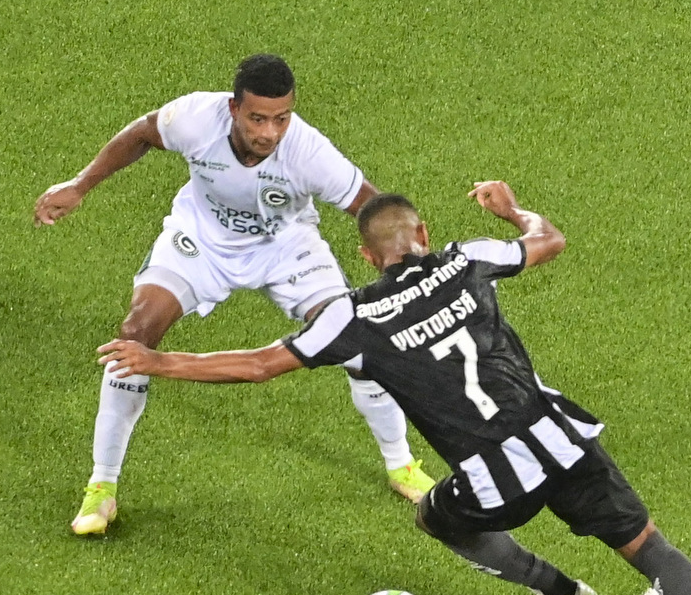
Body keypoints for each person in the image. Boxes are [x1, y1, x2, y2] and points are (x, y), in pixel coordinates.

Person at [98, 182, 691, 595]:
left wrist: (160, 360)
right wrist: (511, 208)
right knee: (648, 546)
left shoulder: (352, 316)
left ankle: (560, 591)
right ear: (424, 235)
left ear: (367, 258)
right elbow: (547, 241)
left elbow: (258, 365)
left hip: (496, 481)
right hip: (560, 437)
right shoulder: (468, 260)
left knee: (438, 516)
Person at [34, 54, 436, 535]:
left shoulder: (309, 152)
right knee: (135, 333)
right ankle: (102, 487)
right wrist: (80, 185)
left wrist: (408, 266)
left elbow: (374, 206)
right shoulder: (194, 118)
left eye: (281, 118)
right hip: (200, 241)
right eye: (257, 119)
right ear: (233, 108)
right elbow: (141, 134)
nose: (270, 133)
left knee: (355, 343)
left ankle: (400, 464)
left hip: (286, 248)